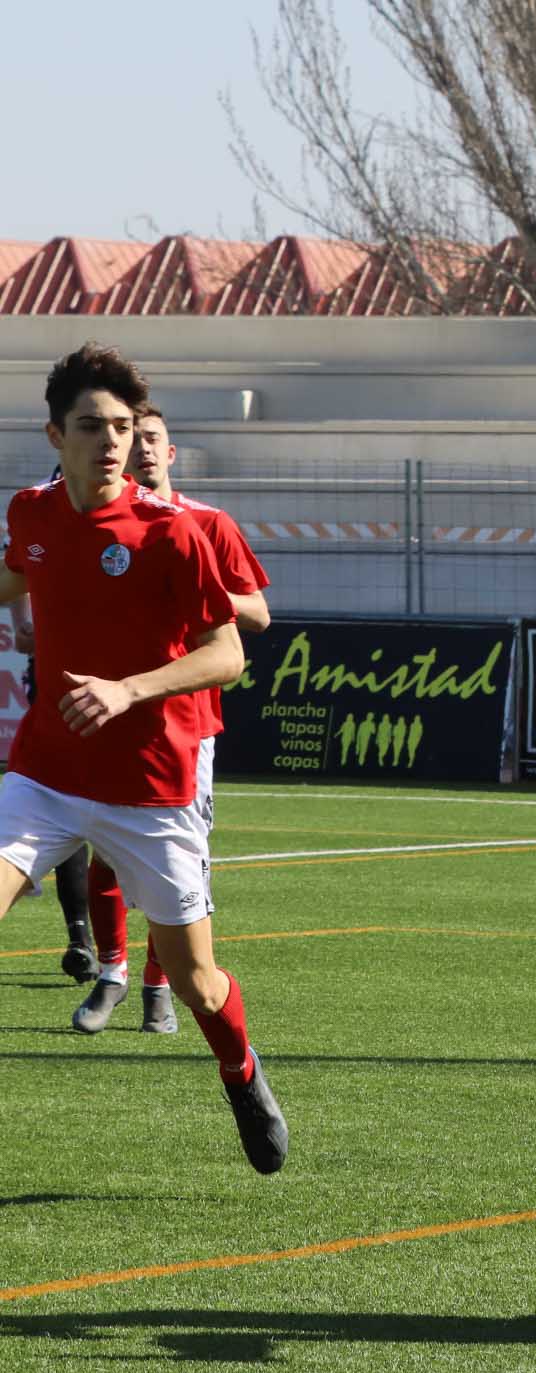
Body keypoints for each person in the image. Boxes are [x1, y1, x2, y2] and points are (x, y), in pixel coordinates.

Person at [0, 343, 285, 1172]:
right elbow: (13, 579)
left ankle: (240, 1069)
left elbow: (227, 652)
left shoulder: (174, 533)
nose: (112, 441)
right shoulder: (31, 513)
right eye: (92, 425)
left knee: (197, 982)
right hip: (45, 775)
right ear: (54, 434)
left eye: (122, 426)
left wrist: (129, 689)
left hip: (149, 789)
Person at [72, 404, 271, 1036]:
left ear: (171, 451)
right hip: (112, 710)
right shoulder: (102, 524)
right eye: (136, 440)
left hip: (186, 723)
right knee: (102, 852)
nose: (144, 451)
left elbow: (259, 615)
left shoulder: (207, 523)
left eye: (155, 439)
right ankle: (112, 974)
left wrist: (196, 587)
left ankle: (160, 987)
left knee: (174, 863)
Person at [5, 530, 98, 982]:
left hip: (119, 696)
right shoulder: (41, 514)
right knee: (62, 802)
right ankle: (83, 939)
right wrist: (27, 625)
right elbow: (16, 575)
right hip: (54, 688)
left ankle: (124, 966)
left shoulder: (156, 521)